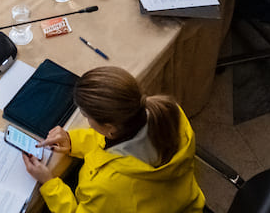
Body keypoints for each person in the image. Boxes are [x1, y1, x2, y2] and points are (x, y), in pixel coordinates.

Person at [22, 66, 205, 213]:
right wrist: (72, 141)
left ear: (110, 127)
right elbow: (111, 139)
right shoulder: (168, 113)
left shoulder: (107, 186)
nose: (86, 121)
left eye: (86, 117)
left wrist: (49, 183)